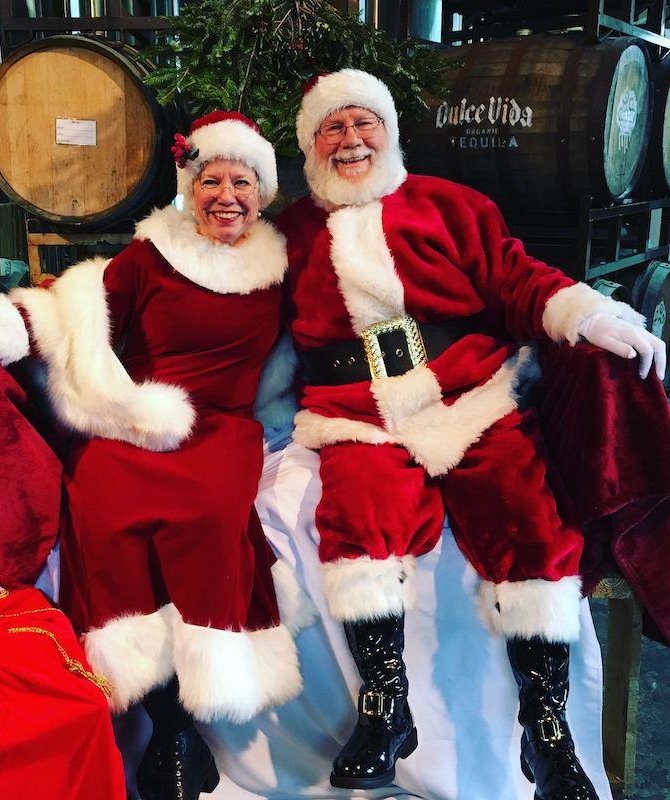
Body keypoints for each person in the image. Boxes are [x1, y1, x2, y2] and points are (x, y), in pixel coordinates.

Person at [0, 110, 314, 800]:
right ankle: (169, 725)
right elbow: (72, 312)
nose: (226, 196)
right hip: (137, 422)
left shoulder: (281, 267)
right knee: (101, 501)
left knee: (210, 518)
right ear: (191, 187)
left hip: (222, 431)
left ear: (263, 192)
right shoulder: (152, 256)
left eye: (242, 182)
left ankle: (186, 722)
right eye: (211, 181)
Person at [275, 69, 666, 798]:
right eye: (332, 127)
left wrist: (585, 315)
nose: (350, 139)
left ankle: (546, 731)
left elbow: (517, 278)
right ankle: (386, 708)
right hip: (356, 412)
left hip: (471, 392)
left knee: (530, 516)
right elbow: (228, 309)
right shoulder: (288, 234)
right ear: (310, 144)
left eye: (364, 122)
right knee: (357, 514)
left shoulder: (450, 205)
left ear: (389, 131)